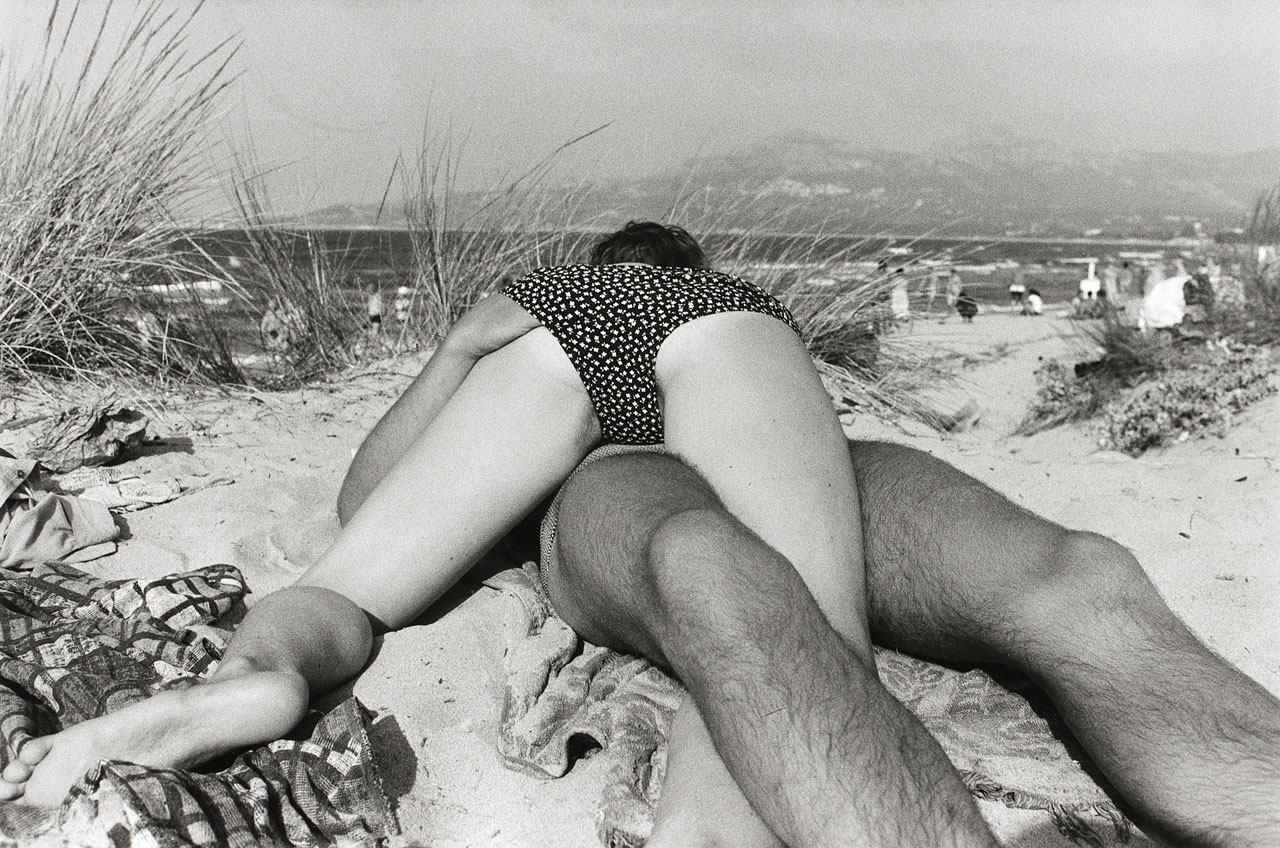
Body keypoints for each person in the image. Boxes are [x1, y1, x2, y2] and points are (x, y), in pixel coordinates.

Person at [2, 224, 1277, 848]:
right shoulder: (715, 306)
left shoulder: (551, 317)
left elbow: (360, 510)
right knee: (1057, 579)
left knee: (707, 575)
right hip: (728, 347)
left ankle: (257, 676)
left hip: (577, 430)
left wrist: (465, 341)